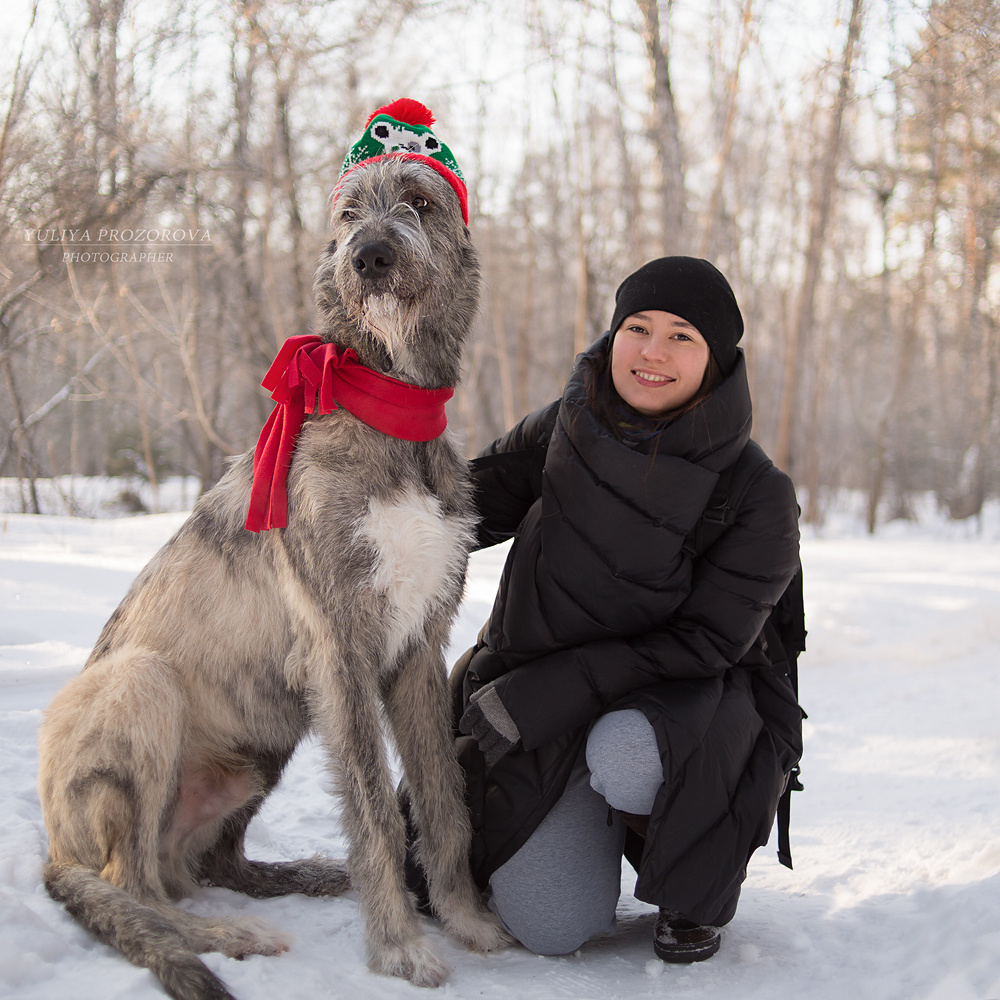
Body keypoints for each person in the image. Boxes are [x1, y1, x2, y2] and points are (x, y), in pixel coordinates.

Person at [451, 255, 803, 964]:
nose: (652, 351)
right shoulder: (566, 426)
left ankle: (671, 860)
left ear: (719, 359)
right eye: (637, 327)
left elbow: (708, 643)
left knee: (628, 752)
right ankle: (578, 818)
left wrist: (549, 692)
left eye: (682, 336)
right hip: (543, 699)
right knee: (553, 929)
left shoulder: (758, 492)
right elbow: (458, 507)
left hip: (681, 708)